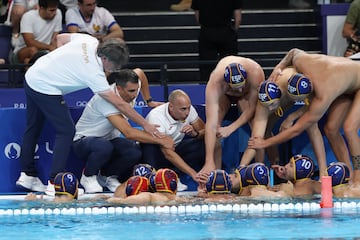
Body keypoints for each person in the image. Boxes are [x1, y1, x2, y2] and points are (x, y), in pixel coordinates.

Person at [15, 33, 160, 196]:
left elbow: (61, 38)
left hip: (33, 75)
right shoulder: (94, 74)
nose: (114, 70)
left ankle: (27, 175)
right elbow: (120, 104)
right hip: (46, 88)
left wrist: (58, 64)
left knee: (33, 127)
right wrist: (145, 124)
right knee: (66, 130)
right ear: (105, 59)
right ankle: (55, 182)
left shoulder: (89, 41)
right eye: (114, 66)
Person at [247, 48, 360, 187]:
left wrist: (265, 143)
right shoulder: (304, 62)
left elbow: (297, 129)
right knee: (331, 130)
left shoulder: (324, 94)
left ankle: (358, 178)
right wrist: (279, 67)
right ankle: (348, 176)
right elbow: (293, 52)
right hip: (345, 82)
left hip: (353, 79)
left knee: (350, 129)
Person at [73, 70, 172, 193]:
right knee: (104, 146)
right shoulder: (106, 100)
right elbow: (128, 132)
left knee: (133, 150)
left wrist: (149, 100)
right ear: (119, 88)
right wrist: (161, 140)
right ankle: (88, 176)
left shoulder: (132, 84)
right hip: (84, 142)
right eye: (131, 91)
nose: (135, 94)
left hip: (108, 139)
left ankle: (106, 176)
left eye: (136, 90)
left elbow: (140, 73)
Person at [239, 68, 327, 178]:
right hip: (285, 97)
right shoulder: (264, 105)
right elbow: (255, 140)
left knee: (311, 124)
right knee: (263, 133)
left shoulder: (303, 82)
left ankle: (324, 172)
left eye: (272, 105)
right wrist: (242, 167)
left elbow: (314, 104)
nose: (270, 108)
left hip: (302, 93)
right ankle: (265, 169)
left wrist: (291, 117)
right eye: (269, 106)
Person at [200, 56, 265, 176]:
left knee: (258, 132)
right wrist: (208, 160)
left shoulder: (255, 72)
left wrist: (231, 128)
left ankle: (261, 172)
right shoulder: (216, 81)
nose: (239, 90)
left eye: (242, 86)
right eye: (235, 87)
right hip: (225, 95)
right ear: (226, 82)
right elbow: (211, 124)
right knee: (215, 131)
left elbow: (251, 108)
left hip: (247, 97)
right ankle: (214, 172)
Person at [142, 89, 206, 189]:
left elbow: (205, 131)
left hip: (175, 147)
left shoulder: (189, 110)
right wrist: (193, 174)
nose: (187, 113)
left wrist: (195, 133)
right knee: (150, 147)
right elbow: (167, 152)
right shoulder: (156, 117)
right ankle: (157, 178)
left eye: (189, 108)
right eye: (183, 109)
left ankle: (175, 175)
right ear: (171, 107)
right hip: (158, 151)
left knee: (202, 145)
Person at [191, 0, 242, 82]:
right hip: (226, 32)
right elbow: (238, 18)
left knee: (206, 67)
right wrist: (233, 31)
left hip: (207, 32)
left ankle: (206, 88)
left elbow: (198, 17)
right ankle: (230, 89)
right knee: (230, 65)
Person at [11, 0, 62, 65]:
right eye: (51, 10)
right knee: (33, 50)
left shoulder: (58, 13)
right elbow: (30, 42)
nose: (54, 13)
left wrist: (53, 50)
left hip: (46, 51)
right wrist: (49, 47)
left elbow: (54, 39)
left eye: (55, 10)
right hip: (23, 52)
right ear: (42, 8)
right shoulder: (28, 16)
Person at [107, 168, 183, 205]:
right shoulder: (178, 199)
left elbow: (114, 201)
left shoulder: (148, 196)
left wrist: (116, 200)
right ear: (173, 185)